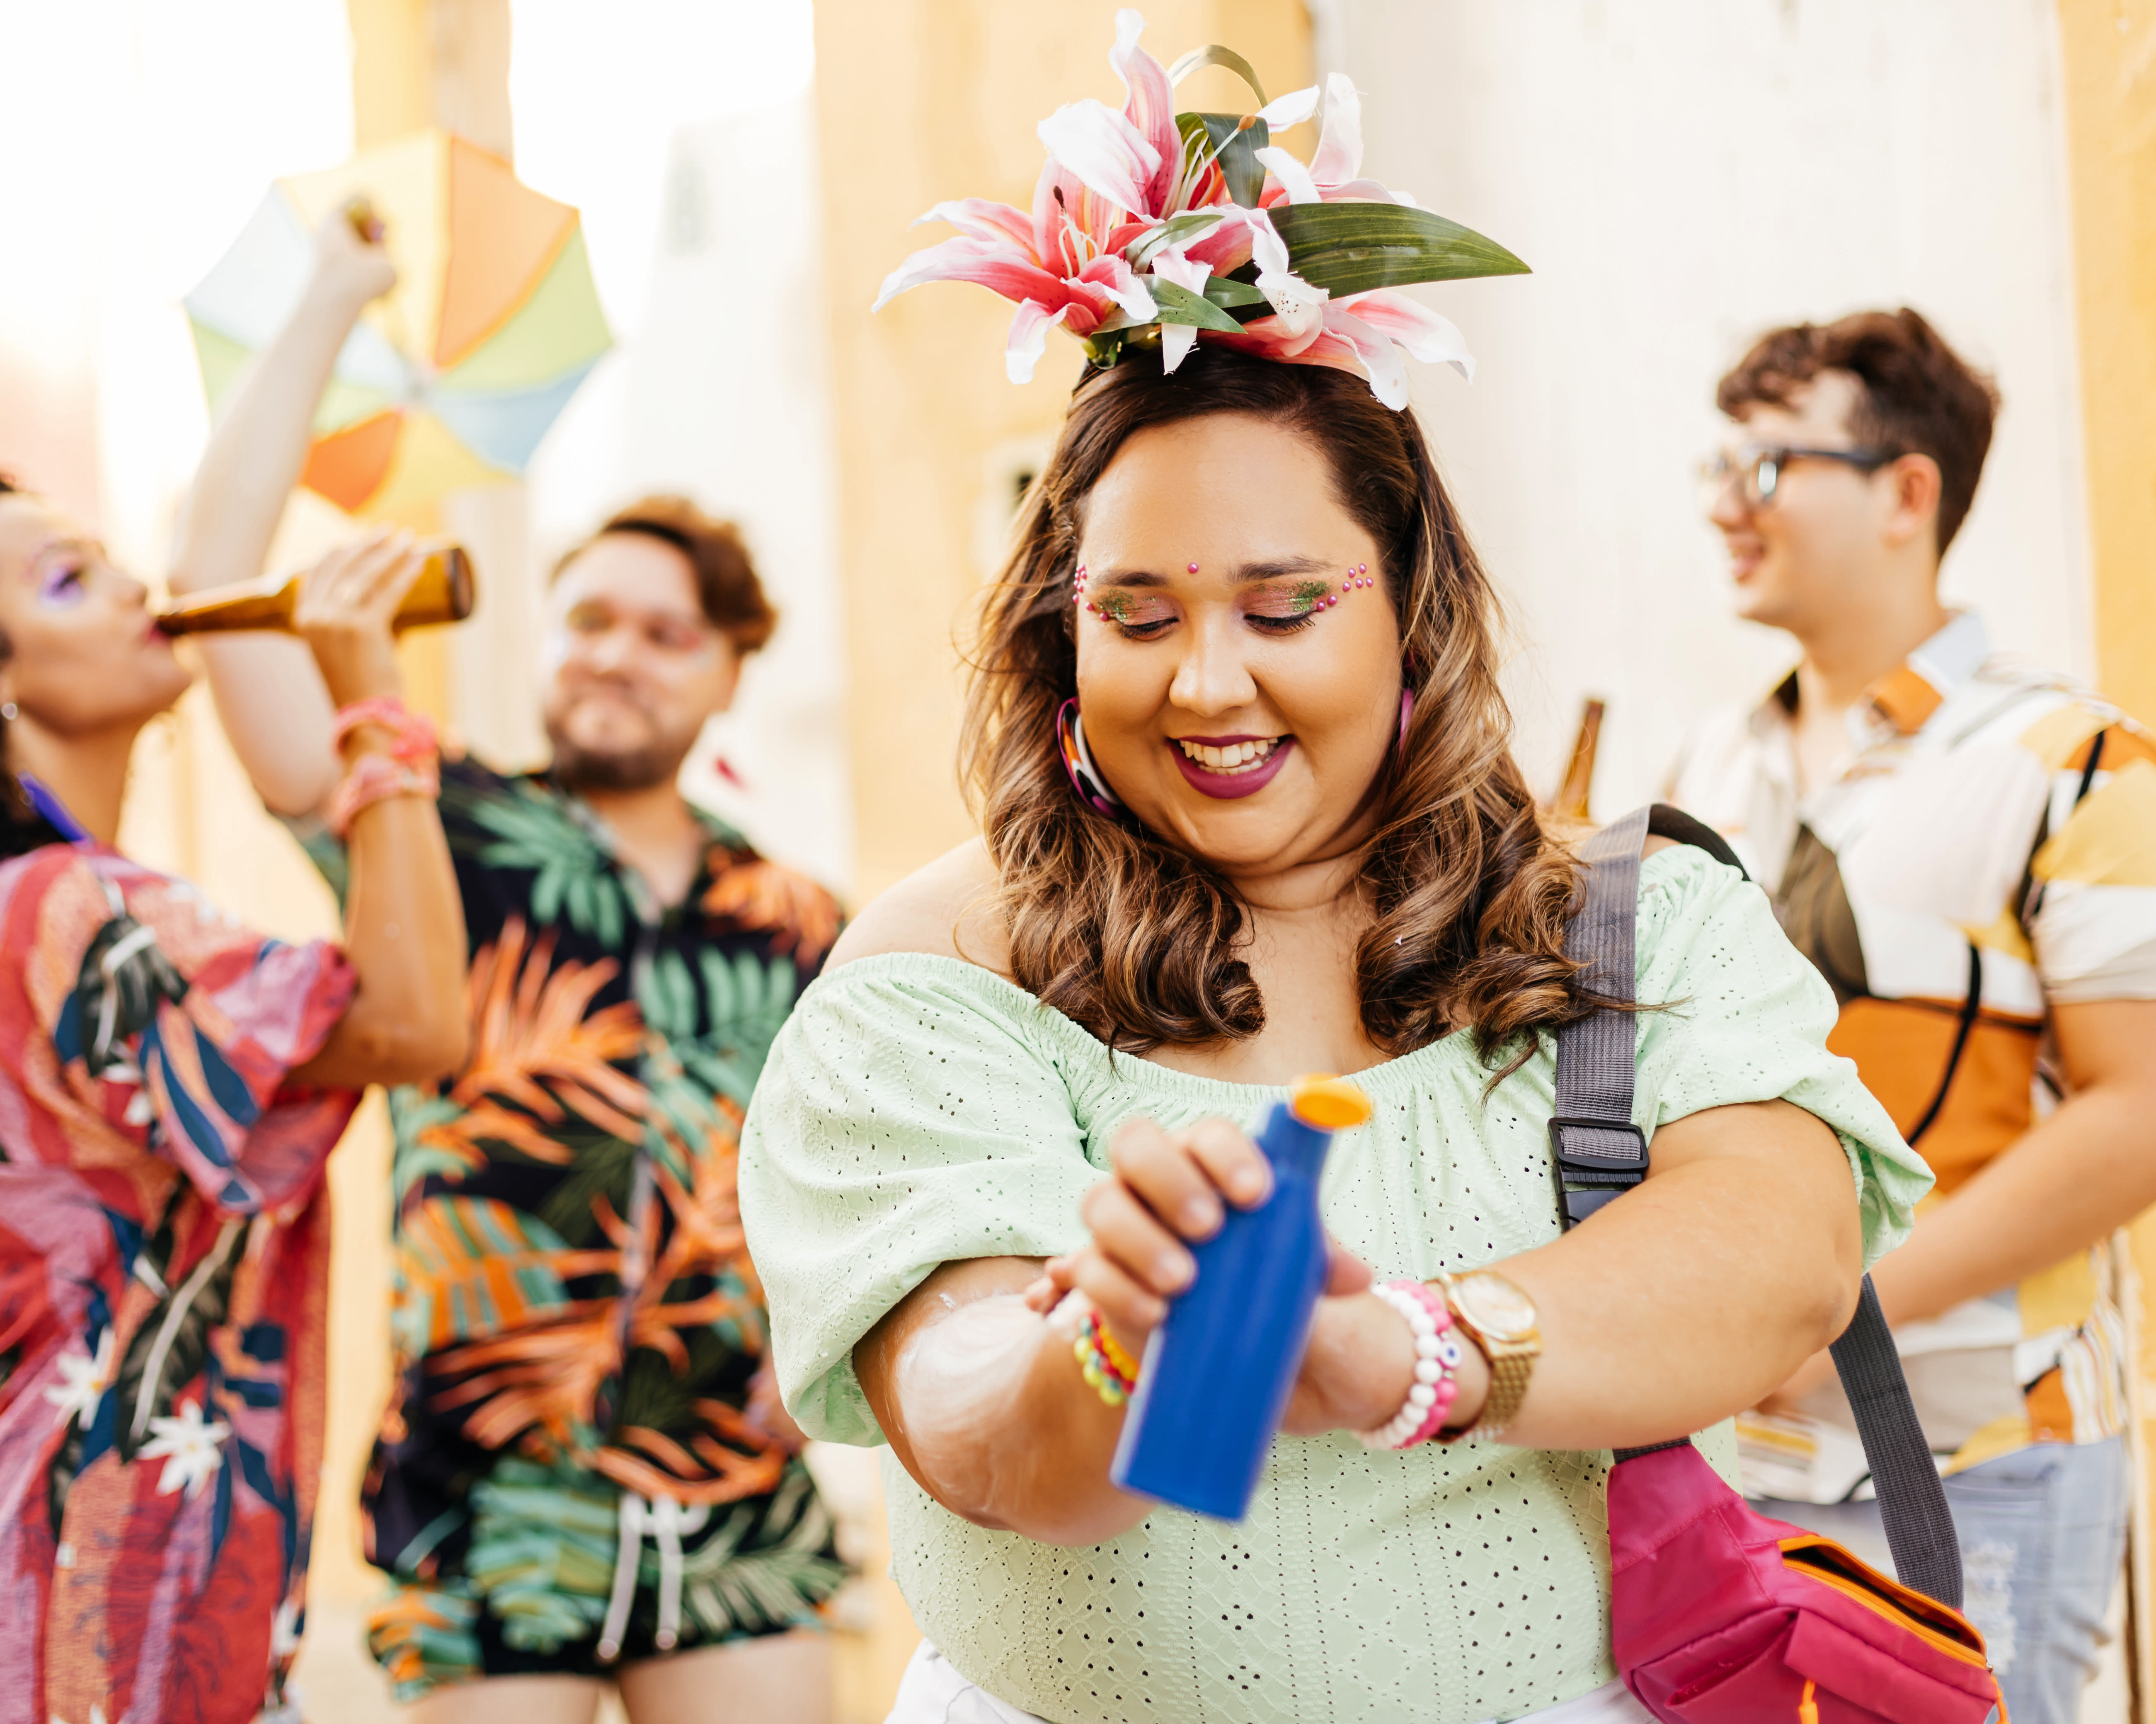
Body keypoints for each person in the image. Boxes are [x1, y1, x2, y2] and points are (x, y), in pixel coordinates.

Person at [736, 24, 1935, 1721]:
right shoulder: (941, 965)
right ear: (1058, 640)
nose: (1208, 680)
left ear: (1411, 619)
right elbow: (979, 1424)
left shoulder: (1629, 908)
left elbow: (1783, 1251)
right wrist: (1116, 1333)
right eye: (1137, 617)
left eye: (1285, 607)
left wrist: (1414, 1351)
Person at [0, 236, 468, 1723]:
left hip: (72, 1611)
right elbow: (418, 1021)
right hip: (94, 1631)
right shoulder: (70, 915)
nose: (132, 587)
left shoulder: (8, 914)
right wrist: (374, 712)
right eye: (67, 576)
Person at [177, 288, 849, 1715]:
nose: (614, 653)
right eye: (589, 618)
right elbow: (215, 579)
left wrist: (828, 1352)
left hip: (734, 1499)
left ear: (732, 673)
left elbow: (865, 1180)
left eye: (668, 635)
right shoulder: (437, 827)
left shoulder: (804, 923)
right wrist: (334, 304)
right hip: (484, 1503)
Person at [1668, 308, 2156, 1723]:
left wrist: (1831, 1311)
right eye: (1716, 468)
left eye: (1768, 466)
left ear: (1907, 492)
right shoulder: (1709, 765)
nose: (1729, 505)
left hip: (1988, 1450)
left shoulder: (2075, 759)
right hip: (1741, 1457)